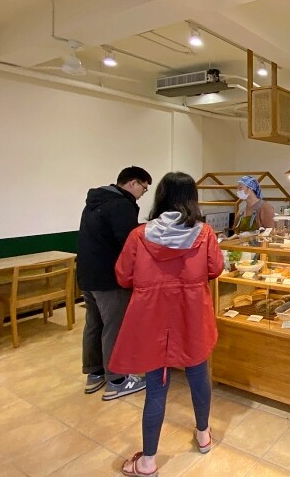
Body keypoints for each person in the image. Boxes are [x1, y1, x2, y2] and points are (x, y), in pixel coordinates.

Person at [109, 172, 224, 477]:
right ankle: (203, 435)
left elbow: (123, 275)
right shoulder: (205, 233)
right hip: (192, 314)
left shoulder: (139, 235)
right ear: (192, 198)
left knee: (156, 387)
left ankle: (148, 461)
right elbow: (216, 268)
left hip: (153, 317)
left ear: (160, 196)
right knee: (198, 373)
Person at [77, 166, 152, 401]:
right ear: (132, 183)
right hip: (110, 278)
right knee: (114, 326)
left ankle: (95, 373)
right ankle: (117, 380)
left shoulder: (95, 201)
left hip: (87, 275)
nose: (142, 193)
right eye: (144, 188)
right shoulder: (121, 205)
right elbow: (129, 244)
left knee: (94, 324)